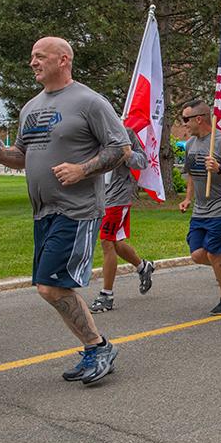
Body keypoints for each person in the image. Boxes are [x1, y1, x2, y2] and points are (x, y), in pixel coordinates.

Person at [0, 36, 130, 385]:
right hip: (43, 210)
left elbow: (120, 147)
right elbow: (22, 156)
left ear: (63, 60)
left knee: (50, 286)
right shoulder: (30, 108)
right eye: (31, 56)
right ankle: (94, 349)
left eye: (40, 56)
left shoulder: (89, 101)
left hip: (76, 209)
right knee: (51, 286)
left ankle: (99, 346)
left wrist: (83, 169)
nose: (33, 62)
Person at [178, 99, 221, 316]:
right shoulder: (191, 144)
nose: (184, 125)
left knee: (214, 254)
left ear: (199, 119)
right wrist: (188, 198)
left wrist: (220, 168)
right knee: (198, 255)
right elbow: (191, 174)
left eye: (185, 120)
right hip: (200, 209)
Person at [88, 128, 156, 313]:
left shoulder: (124, 133)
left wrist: (128, 152)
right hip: (98, 197)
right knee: (116, 243)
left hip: (117, 199)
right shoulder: (90, 133)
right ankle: (143, 267)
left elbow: (142, 161)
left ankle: (106, 295)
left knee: (107, 242)